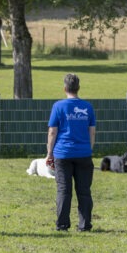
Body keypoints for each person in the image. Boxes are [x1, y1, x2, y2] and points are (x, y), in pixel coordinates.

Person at [46, 73, 96, 231]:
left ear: (64, 88)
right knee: (84, 191)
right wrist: (89, 149)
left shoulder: (58, 106)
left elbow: (52, 132)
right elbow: (92, 132)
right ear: (78, 88)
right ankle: (85, 225)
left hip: (63, 154)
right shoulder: (87, 107)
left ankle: (62, 225)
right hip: (83, 154)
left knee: (63, 190)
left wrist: (49, 153)